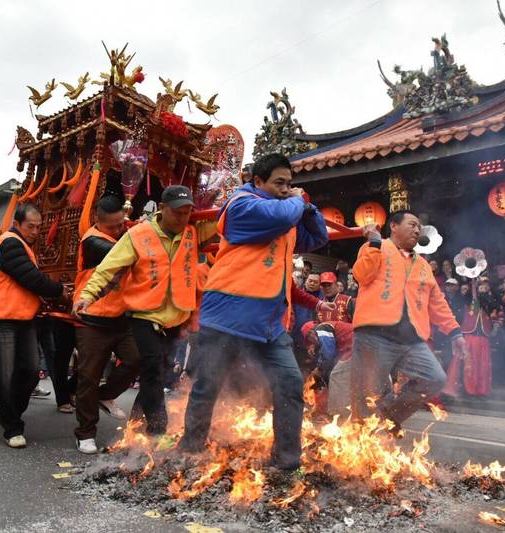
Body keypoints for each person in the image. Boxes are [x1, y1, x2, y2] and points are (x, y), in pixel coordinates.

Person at [179, 152, 328, 471]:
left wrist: (309, 207)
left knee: (290, 384)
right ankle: (189, 451)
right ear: (257, 182)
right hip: (227, 317)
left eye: (290, 183)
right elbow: (282, 215)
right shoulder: (241, 204)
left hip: (270, 324)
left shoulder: (286, 212)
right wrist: (298, 202)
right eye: (279, 183)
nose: (286, 189)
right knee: (208, 385)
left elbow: (317, 237)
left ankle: (286, 462)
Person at [76, 185, 217, 438]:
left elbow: (225, 221)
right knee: (151, 371)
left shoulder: (192, 232)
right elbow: (108, 268)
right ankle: (157, 430)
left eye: (187, 212)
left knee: (159, 375)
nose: (183, 218)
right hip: (143, 316)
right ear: (162, 209)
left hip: (176, 318)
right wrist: (88, 295)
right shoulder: (138, 235)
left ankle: (138, 428)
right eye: (177, 212)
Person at [350, 210, 467, 435]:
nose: (417, 230)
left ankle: (390, 416)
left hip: (411, 338)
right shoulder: (376, 247)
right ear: (393, 226)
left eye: (419, 227)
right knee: (368, 396)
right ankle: (362, 453)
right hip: (374, 335)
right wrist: (374, 243)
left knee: (434, 378)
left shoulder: (423, 264)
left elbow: (437, 301)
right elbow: (361, 276)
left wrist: (455, 332)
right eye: (412, 225)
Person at [0, 203, 70, 448]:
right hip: (1, 319)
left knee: (30, 371)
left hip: (23, 318)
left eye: (39, 227)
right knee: (5, 375)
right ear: (17, 224)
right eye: (31, 226)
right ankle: (11, 427)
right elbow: (30, 278)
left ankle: (12, 415)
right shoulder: (10, 242)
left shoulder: (22, 245)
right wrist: (60, 291)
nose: (35, 231)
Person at [71, 196, 141, 454]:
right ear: (98, 222)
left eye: (120, 224)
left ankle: (104, 395)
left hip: (122, 318)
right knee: (88, 376)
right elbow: (122, 255)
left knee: (137, 359)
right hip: (91, 319)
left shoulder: (126, 232)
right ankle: (85, 432)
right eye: (112, 227)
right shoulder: (92, 241)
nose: (118, 229)